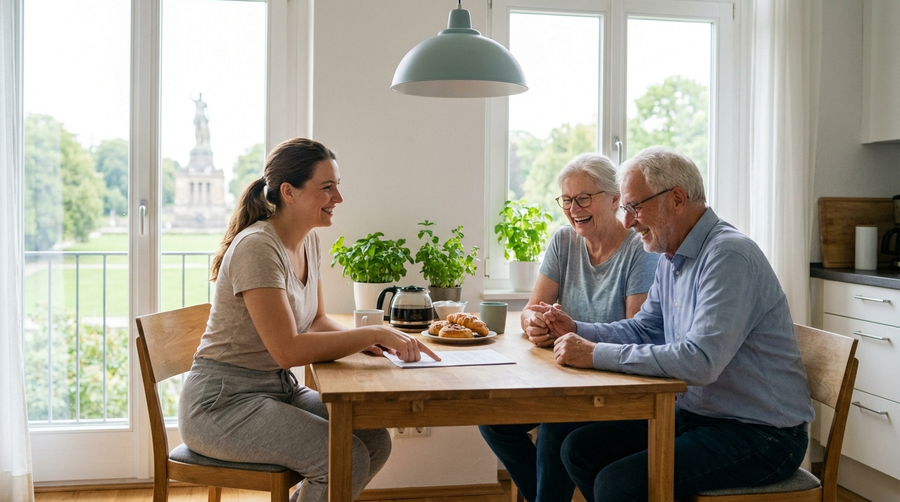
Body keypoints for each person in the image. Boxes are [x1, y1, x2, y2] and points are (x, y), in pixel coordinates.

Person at [534, 146, 814, 502]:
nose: (627, 221)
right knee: (573, 445)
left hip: (762, 435)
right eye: (627, 209)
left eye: (635, 207)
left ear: (677, 199)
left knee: (618, 484)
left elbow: (699, 361)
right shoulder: (671, 256)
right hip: (696, 416)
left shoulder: (728, 256)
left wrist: (594, 354)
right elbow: (643, 328)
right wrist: (576, 329)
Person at [178, 138, 439, 502]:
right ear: (290, 192)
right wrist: (372, 333)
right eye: (327, 188)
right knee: (341, 458)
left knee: (373, 439)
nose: (339, 198)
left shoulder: (309, 241)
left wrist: (371, 341)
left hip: (276, 391)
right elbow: (287, 350)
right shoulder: (257, 247)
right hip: (222, 404)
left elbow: (316, 321)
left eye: (337, 186)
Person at [479, 152, 658, 502]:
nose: (573, 208)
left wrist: (573, 329)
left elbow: (637, 330)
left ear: (615, 199)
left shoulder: (640, 249)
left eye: (583, 198)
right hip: (563, 375)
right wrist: (536, 323)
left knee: (554, 428)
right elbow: (530, 310)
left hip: (612, 380)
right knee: (494, 419)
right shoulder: (564, 241)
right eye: (567, 199)